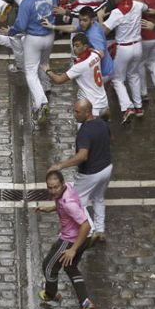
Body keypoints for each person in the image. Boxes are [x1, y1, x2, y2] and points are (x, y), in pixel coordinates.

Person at [48, 99, 112, 242]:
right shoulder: (102, 123)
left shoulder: (85, 131)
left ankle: (90, 230)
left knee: (75, 202)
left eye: (77, 112)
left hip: (90, 173)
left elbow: (82, 156)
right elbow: (109, 140)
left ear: (87, 112)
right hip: (106, 168)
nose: (74, 114)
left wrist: (60, 166)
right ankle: (100, 230)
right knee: (98, 198)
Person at [35, 170, 95, 309]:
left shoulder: (69, 204)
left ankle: (51, 295)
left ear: (62, 184)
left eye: (56, 187)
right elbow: (60, 203)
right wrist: (50, 208)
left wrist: (72, 249)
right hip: (85, 239)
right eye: (50, 187)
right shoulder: (67, 188)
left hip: (72, 239)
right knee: (70, 267)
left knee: (48, 266)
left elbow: (85, 225)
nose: (53, 191)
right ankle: (86, 303)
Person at [0, 0, 57, 125]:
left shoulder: (27, 2)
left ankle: (41, 102)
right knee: (44, 65)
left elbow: (21, 25)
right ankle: (45, 87)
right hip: (50, 35)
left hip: (34, 38)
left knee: (31, 73)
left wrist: (10, 31)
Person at [100, 0, 147, 123]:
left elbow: (103, 31)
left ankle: (127, 107)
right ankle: (139, 107)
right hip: (138, 47)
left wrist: (100, 17)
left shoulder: (117, 12)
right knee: (134, 75)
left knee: (117, 79)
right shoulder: (138, 6)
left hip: (123, 48)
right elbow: (146, 7)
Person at [43, 34, 109, 118]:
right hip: (103, 101)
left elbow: (59, 80)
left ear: (85, 47)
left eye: (77, 46)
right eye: (73, 45)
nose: (74, 48)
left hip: (91, 107)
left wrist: (47, 70)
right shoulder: (95, 54)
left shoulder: (79, 66)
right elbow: (102, 53)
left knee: (84, 129)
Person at [46, 6, 114, 80]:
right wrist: (52, 26)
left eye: (84, 20)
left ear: (92, 20)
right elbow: (73, 28)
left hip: (103, 73)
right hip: (106, 68)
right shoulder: (91, 25)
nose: (81, 23)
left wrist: (84, 65)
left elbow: (101, 53)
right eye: (80, 20)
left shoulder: (93, 36)